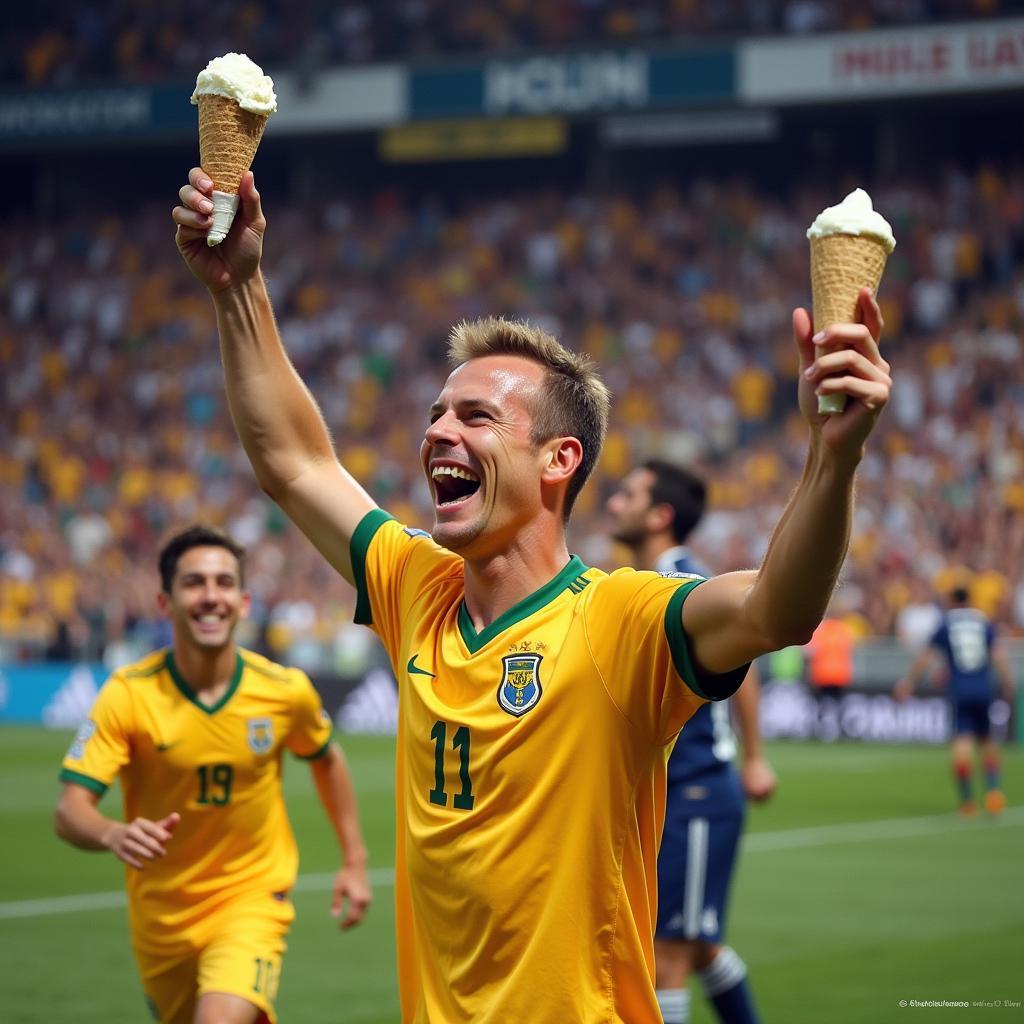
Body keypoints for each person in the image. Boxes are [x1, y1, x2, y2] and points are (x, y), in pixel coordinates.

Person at [173, 167, 890, 1022]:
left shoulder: (621, 620)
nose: (438, 430)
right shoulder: (416, 586)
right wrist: (240, 288)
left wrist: (832, 457)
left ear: (559, 461)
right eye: (438, 413)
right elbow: (293, 463)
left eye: (476, 417)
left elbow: (780, 608)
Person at [55, 524, 372, 1024]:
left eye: (224, 583)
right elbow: (70, 808)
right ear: (165, 602)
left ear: (244, 602)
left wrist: (354, 859)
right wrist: (112, 832)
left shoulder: (283, 690)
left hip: (252, 898)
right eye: (194, 583)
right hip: (161, 917)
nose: (211, 597)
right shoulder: (128, 695)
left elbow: (327, 758)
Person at [606, 460, 776, 1024]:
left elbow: (743, 666)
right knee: (699, 947)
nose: (613, 503)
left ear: (660, 516)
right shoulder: (642, 582)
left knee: (665, 958)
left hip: (697, 792)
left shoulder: (681, 584)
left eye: (627, 493)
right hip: (670, 798)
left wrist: (754, 759)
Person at [894, 585, 1016, 817]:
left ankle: (968, 801)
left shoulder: (946, 624)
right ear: (970, 599)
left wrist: (908, 682)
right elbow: (998, 655)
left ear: (951, 601)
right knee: (987, 740)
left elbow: (925, 657)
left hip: (960, 689)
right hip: (983, 688)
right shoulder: (983, 622)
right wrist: (1008, 683)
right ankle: (993, 794)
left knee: (962, 742)